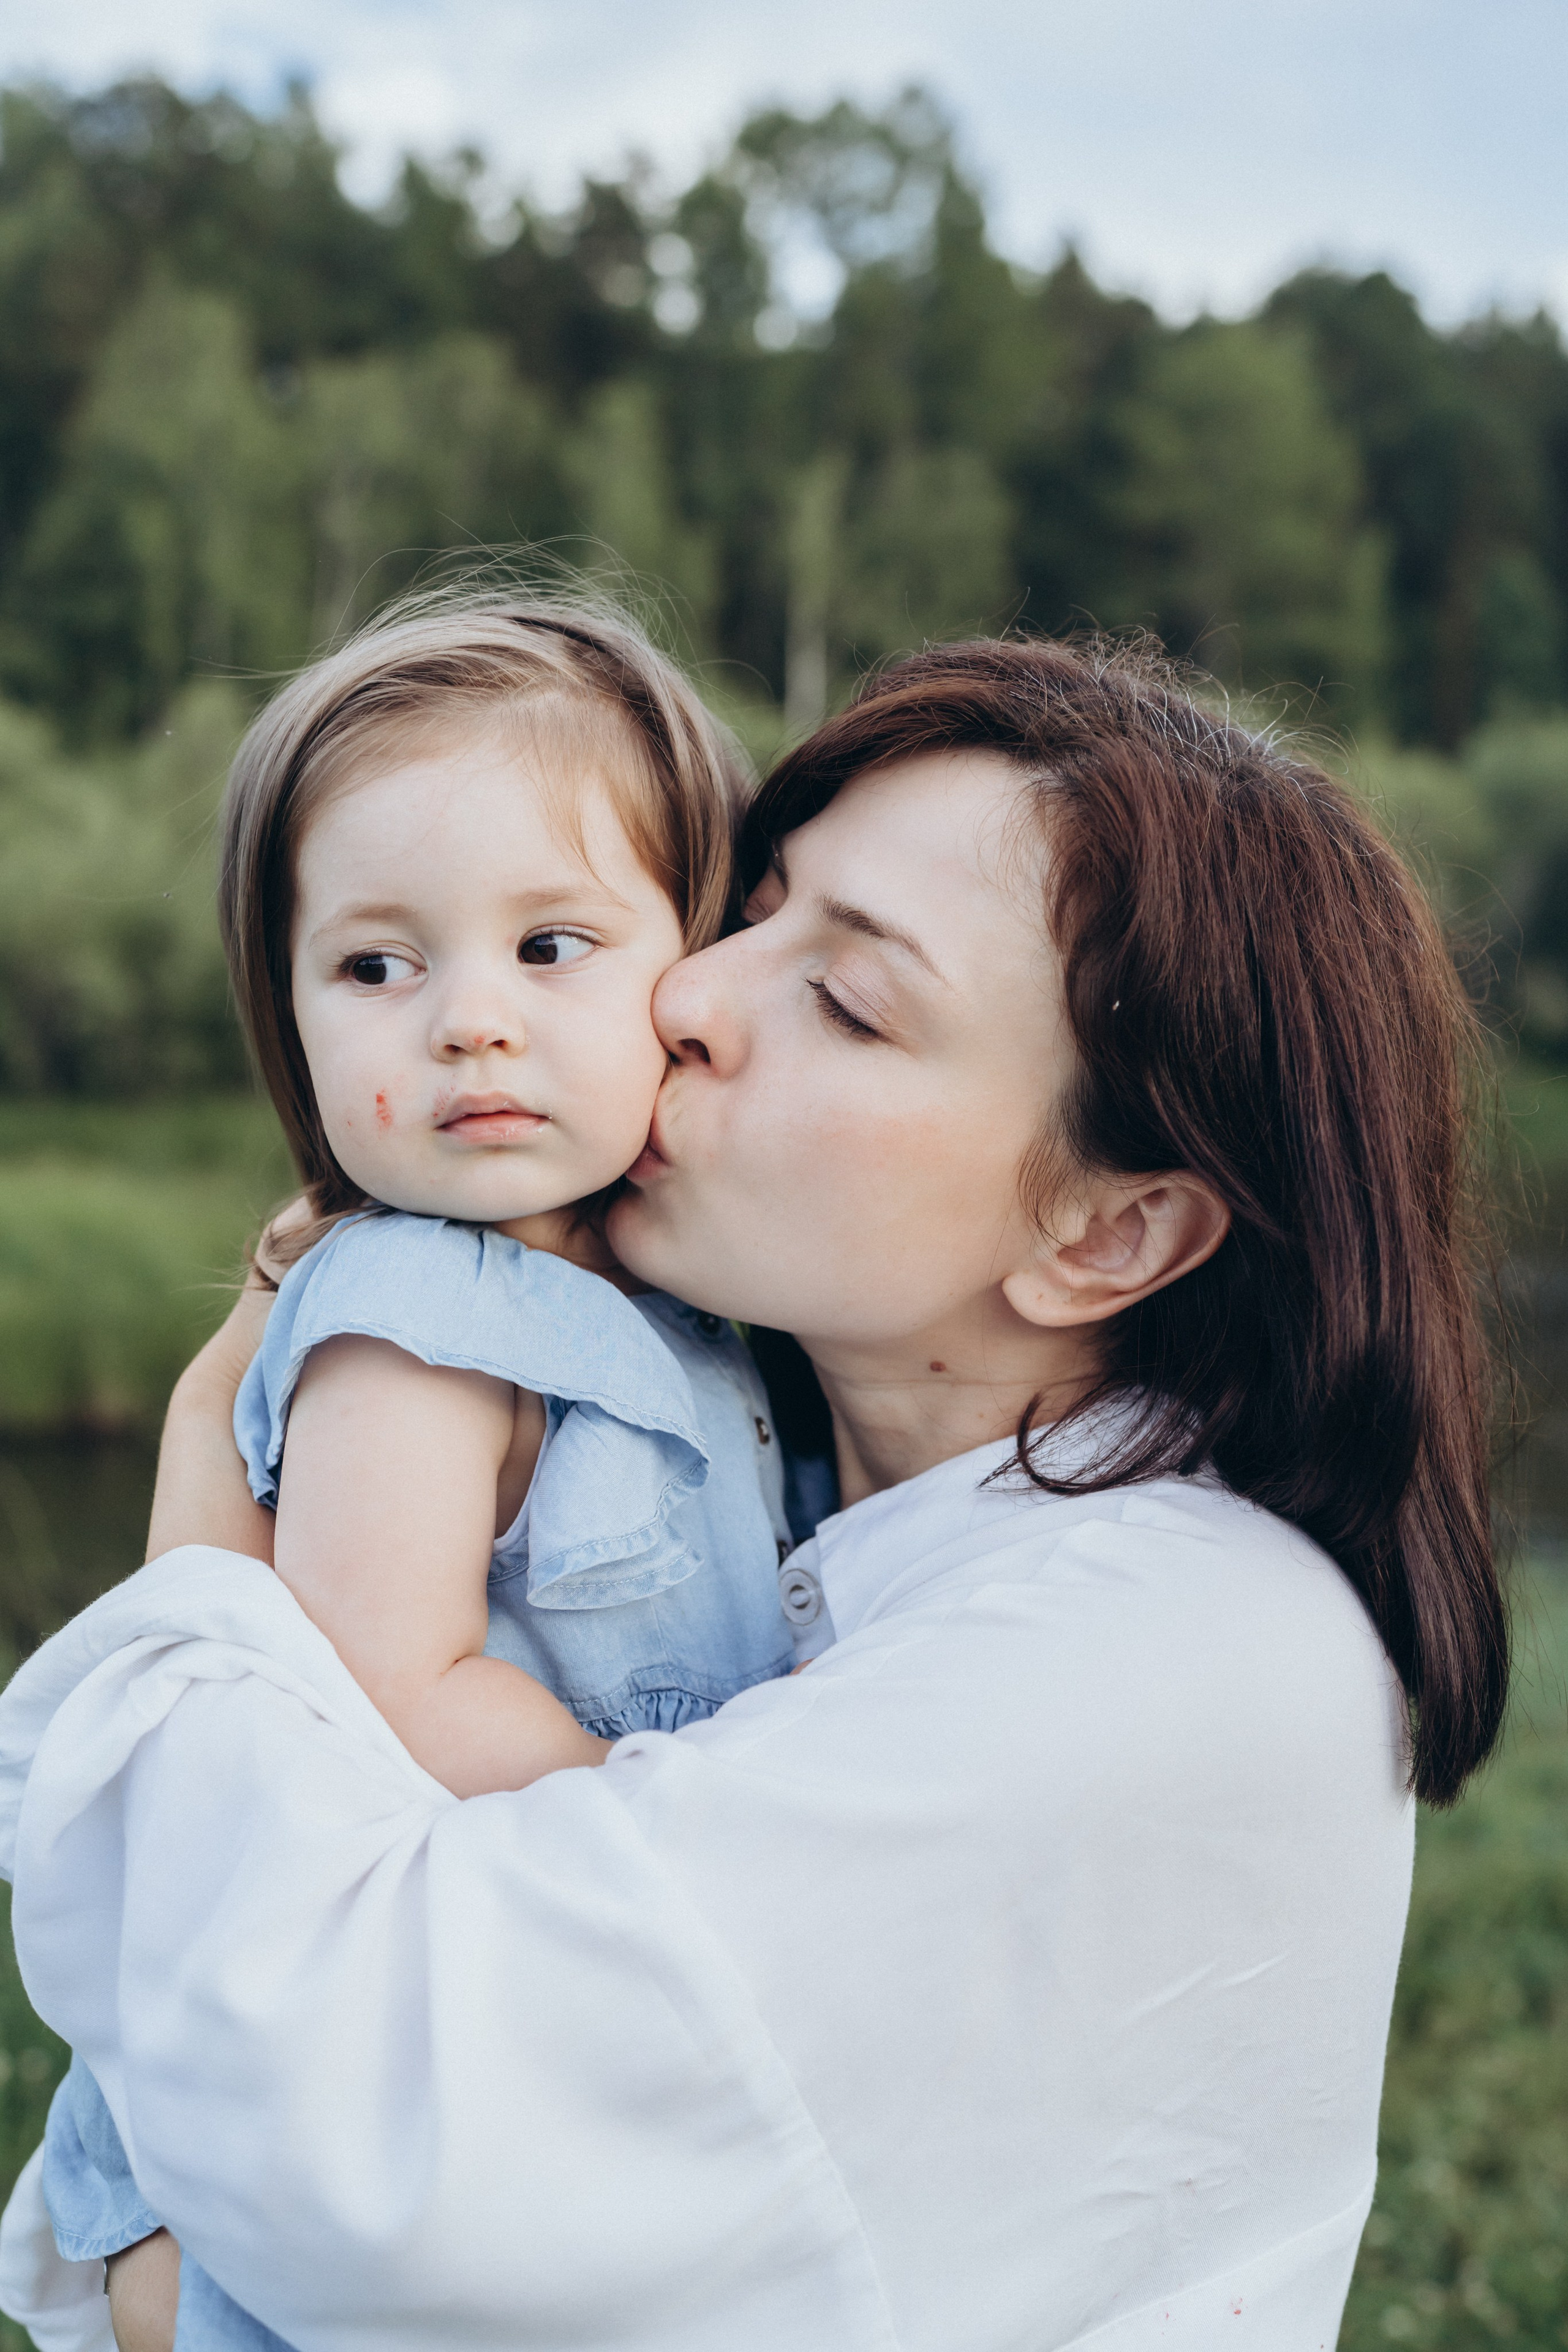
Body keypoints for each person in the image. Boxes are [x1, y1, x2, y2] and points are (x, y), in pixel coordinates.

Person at [0, 635, 1508, 2352]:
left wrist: (209, 1466)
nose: (692, 1001)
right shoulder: (772, 1477)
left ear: (1108, 1231)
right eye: (753, 910)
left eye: (850, 998)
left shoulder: (1174, 1641)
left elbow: (371, 2150)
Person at [17, 592, 799, 2346]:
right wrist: (690, 1810)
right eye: (377, 965)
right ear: (287, 1013)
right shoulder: (417, 1308)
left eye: (553, 946)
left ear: (696, 961)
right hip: (366, 2095)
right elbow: (392, 1689)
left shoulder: (689, 1302)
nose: (468, 1021)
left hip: (536, 2039)